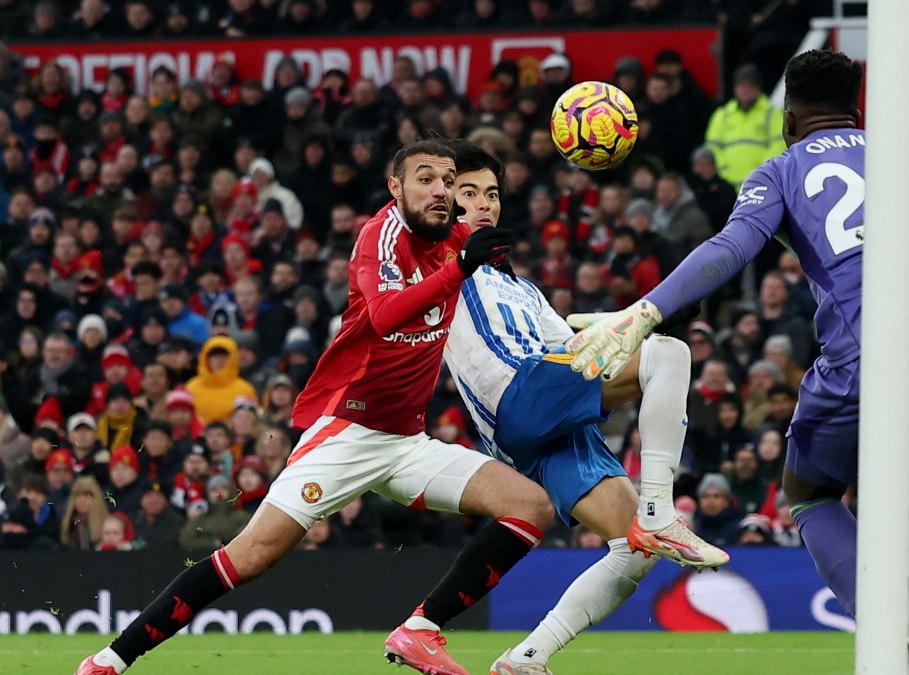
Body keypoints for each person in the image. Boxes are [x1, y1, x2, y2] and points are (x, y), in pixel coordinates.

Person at [564, 50, 909, 675]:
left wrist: (646, 311)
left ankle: (890, 641)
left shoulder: (781, 170)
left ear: (790, 118)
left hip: (871, 353)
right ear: (858, 108)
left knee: (809, 492)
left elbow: (730, 248)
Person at [77, 140, 554, 675]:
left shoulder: (460, 240)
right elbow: (384, 317)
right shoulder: (382, 234)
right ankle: (108, 661)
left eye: (448, 180)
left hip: (406, 442)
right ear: (396, 188)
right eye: (426, 179)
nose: (440, 190)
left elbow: (503, 297)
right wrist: (460, 268)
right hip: (347, 432)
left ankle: (420, 630)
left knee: (531, 507)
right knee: (250, 556)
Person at [405, 141, 726, 674]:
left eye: (491, 193)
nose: (484, 203)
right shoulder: (438, 259)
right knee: (670, 357)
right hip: (520, 391)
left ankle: (527, 658)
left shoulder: (522, 288)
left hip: (549, 413)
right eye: (467, 193)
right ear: (442, 196)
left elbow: (581, 345)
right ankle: (662, 509)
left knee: (634, 550)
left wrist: (648, 317)